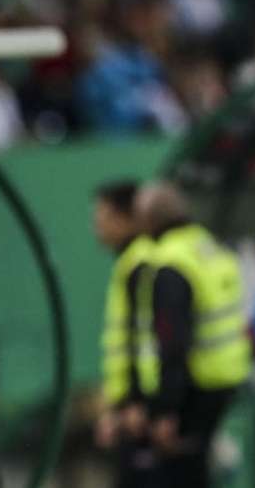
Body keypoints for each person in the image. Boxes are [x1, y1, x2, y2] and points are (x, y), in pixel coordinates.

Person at [133, 182, 251, 488]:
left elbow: (172, 342)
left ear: (149, 219)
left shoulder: (171, 264)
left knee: (181, 476)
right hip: (226, 379)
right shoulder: (210, 248)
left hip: (192, 389)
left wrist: (167, 409)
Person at [94, 179, 160, 488]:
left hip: (141, 406)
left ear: (126, 218)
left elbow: (143, 337)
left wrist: (137, 403)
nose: (98, 227)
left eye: (104, 217)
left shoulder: (141, 264)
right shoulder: (130, 263)